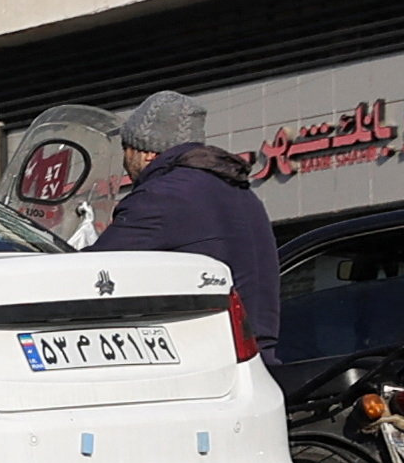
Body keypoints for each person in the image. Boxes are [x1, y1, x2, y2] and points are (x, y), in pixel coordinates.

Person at [93, 92, 284, 378]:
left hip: (207, 367)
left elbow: (92, 273)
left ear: (146, 150)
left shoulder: (161, 197)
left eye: (126, 149)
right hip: (257, 360)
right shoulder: (241, 192)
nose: (124, 161)